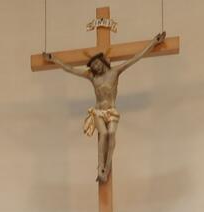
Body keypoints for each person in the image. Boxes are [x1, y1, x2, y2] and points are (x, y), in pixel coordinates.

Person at [45, 31, 167, 182]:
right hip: (98, 112)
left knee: (111, 134)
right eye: (93, 66)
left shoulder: (115, 72)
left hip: (111, 111)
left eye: (97, 63)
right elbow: (71, 70)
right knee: (102, 134)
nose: (96, 67)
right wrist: (54, 60)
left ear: (103, 61)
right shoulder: (92, 77)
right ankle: (100, 167)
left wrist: (153, 42)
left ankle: (107, 167)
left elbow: (136, 57)